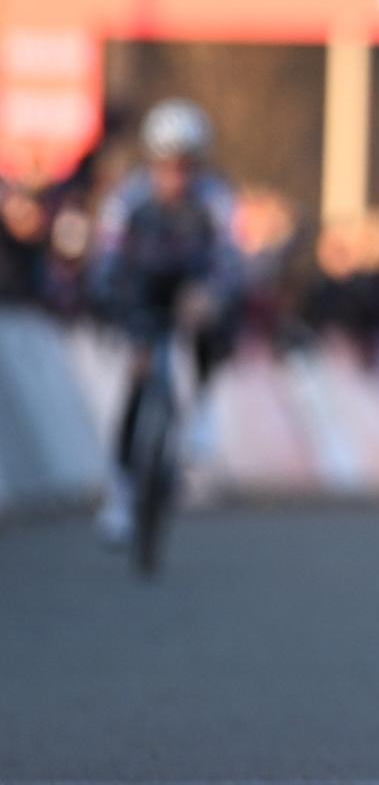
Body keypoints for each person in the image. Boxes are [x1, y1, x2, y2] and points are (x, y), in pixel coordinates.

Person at [90, 99, 241, 545]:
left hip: (193, 288)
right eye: (167, 166)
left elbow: (232, 258)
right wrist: (116, 312)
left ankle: (203, 408)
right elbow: (106, 261)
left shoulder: (216, 197)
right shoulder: (128, 200)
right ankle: (121, 492)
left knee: (216, 319)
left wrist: (214, 292)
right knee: (137, 386)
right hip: (142, 290)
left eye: (186, 166)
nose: (177, 177)